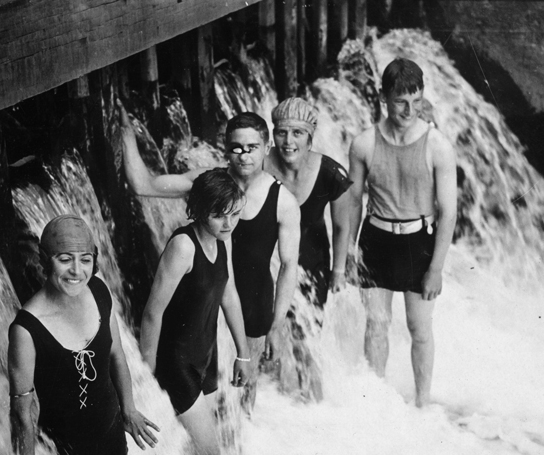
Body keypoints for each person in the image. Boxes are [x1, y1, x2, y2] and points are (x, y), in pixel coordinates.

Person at [121, 111, 300, 413]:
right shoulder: (206, 184)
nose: (243, 155)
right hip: (201, 302)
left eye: (252, 147)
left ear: (266, 148)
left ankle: (237, 453)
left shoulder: (282, 201)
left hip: (252, 304)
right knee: (203, 394)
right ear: (226, 148)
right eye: (236, 147)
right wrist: (125, 133)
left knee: (245, 390)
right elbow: (143, 185)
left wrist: (277, 322)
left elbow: (288, 266)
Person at [7, 216, 159, 455]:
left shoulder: (100, 293)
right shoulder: (26, 329)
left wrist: (130, 409)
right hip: (62, 449)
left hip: (107, 434)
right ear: (44, 261)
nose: (76, 270)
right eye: (64, 259)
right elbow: (22, 410)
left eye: (85, 260)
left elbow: (117, 354)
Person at [342, 57, 458, 407]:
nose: (409, 110)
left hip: (418, 243)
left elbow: (449, 213)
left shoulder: (437, 145)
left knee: (419, 329)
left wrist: (436, 269)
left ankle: (422, 403)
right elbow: (353, 201)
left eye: (416, 101)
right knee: (376, 325)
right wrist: (349, 249)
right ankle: (376, 402)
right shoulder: (364, 143)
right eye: (400, 102)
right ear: (383, 98)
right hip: (376, 239)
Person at [139, 168, 253, 455]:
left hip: (205, 354)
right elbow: (152, 312)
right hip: (176, 362)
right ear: (200, 210)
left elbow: (229, 295)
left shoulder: (222, 239)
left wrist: (243, 355)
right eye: (219, 215)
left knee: (204, 445)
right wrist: (147, 372)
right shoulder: (184, 247)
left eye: (234, 214)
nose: (229, 224)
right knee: (209, 452)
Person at [265, 97, 356, 309]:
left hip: (313, 261)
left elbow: (342, 227)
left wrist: (339, 270)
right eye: (281, 133)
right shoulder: (259, 165)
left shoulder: (331, 174)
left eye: (297, 133)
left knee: (304, 337)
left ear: (309, 138)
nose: (288, 142)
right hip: (268, 263)